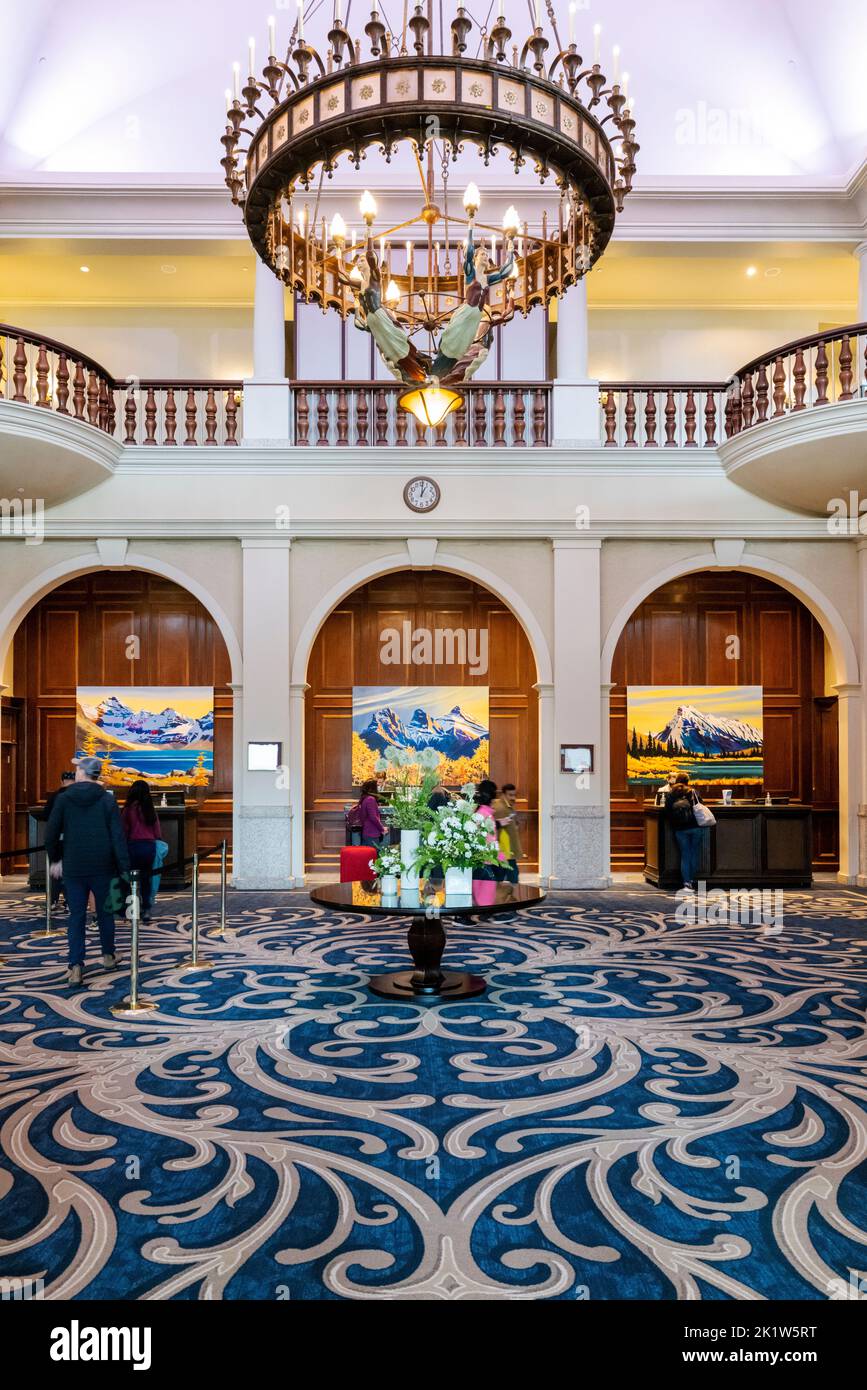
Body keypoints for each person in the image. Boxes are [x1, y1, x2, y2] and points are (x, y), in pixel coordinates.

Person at [44, 757, 131, 986]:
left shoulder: (64, 799)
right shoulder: (107, 800)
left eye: (76, 768)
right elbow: (117, 836)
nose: (74, 772)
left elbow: (51, 833)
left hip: (74, 865)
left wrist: (55, 859)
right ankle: (108, 956)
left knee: (76, 916)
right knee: (105, 913)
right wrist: (124, 868)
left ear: (83, 773)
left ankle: (75, 966)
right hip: (103, 865)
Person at [121, 780, 162, 923]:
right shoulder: (150, 809)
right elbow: (157, 832)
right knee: (146, 879)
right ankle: (146, 909)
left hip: (132, 847)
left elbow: (124, 831)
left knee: (130, 879)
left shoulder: (128, 809)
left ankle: (130, 909)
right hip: (149, 847)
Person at [33, 769, 74, 908]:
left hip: (56, 838)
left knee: (55, 870)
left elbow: (46, 815)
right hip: (73, 839)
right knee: (70, 871)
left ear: (61, 781)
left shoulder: (55, 796)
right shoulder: (75, 796)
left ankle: (54, 900)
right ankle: (70, 901)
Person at [664, 772, 705, 892]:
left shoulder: (671, 793)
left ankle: (686, 883)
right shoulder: (693, 792)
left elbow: (667, 810)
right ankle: (692, 881)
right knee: (694, 854)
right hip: (695, 826)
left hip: (680, 828)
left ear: (677, 780)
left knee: (685, 855)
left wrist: (675, 822)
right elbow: (701, 806)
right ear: (688, 781)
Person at [474, 779, 506, 880]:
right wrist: (500, 859)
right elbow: (488, 839)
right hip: (486, 862)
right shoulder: (484, 814)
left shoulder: (482, 812)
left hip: (487, 861)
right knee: (487, 894)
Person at [492, 782, 521, 884]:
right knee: (512, 877)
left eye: (514, 795)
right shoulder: (500, 808)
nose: (513, 797)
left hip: (507, 849)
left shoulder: (508, 805)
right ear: (504, 794)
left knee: (501, 876)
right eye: (510, 795)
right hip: (505, 850)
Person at [353, 778, 386, 850]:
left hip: (366, 832)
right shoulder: (371, 799)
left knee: (367, 856)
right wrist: (382, 829)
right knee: (373, 856)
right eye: (377, 786)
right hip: (372, 832)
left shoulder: (364, 798)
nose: (378, 788)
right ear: (373, 788)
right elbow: (373, 817)